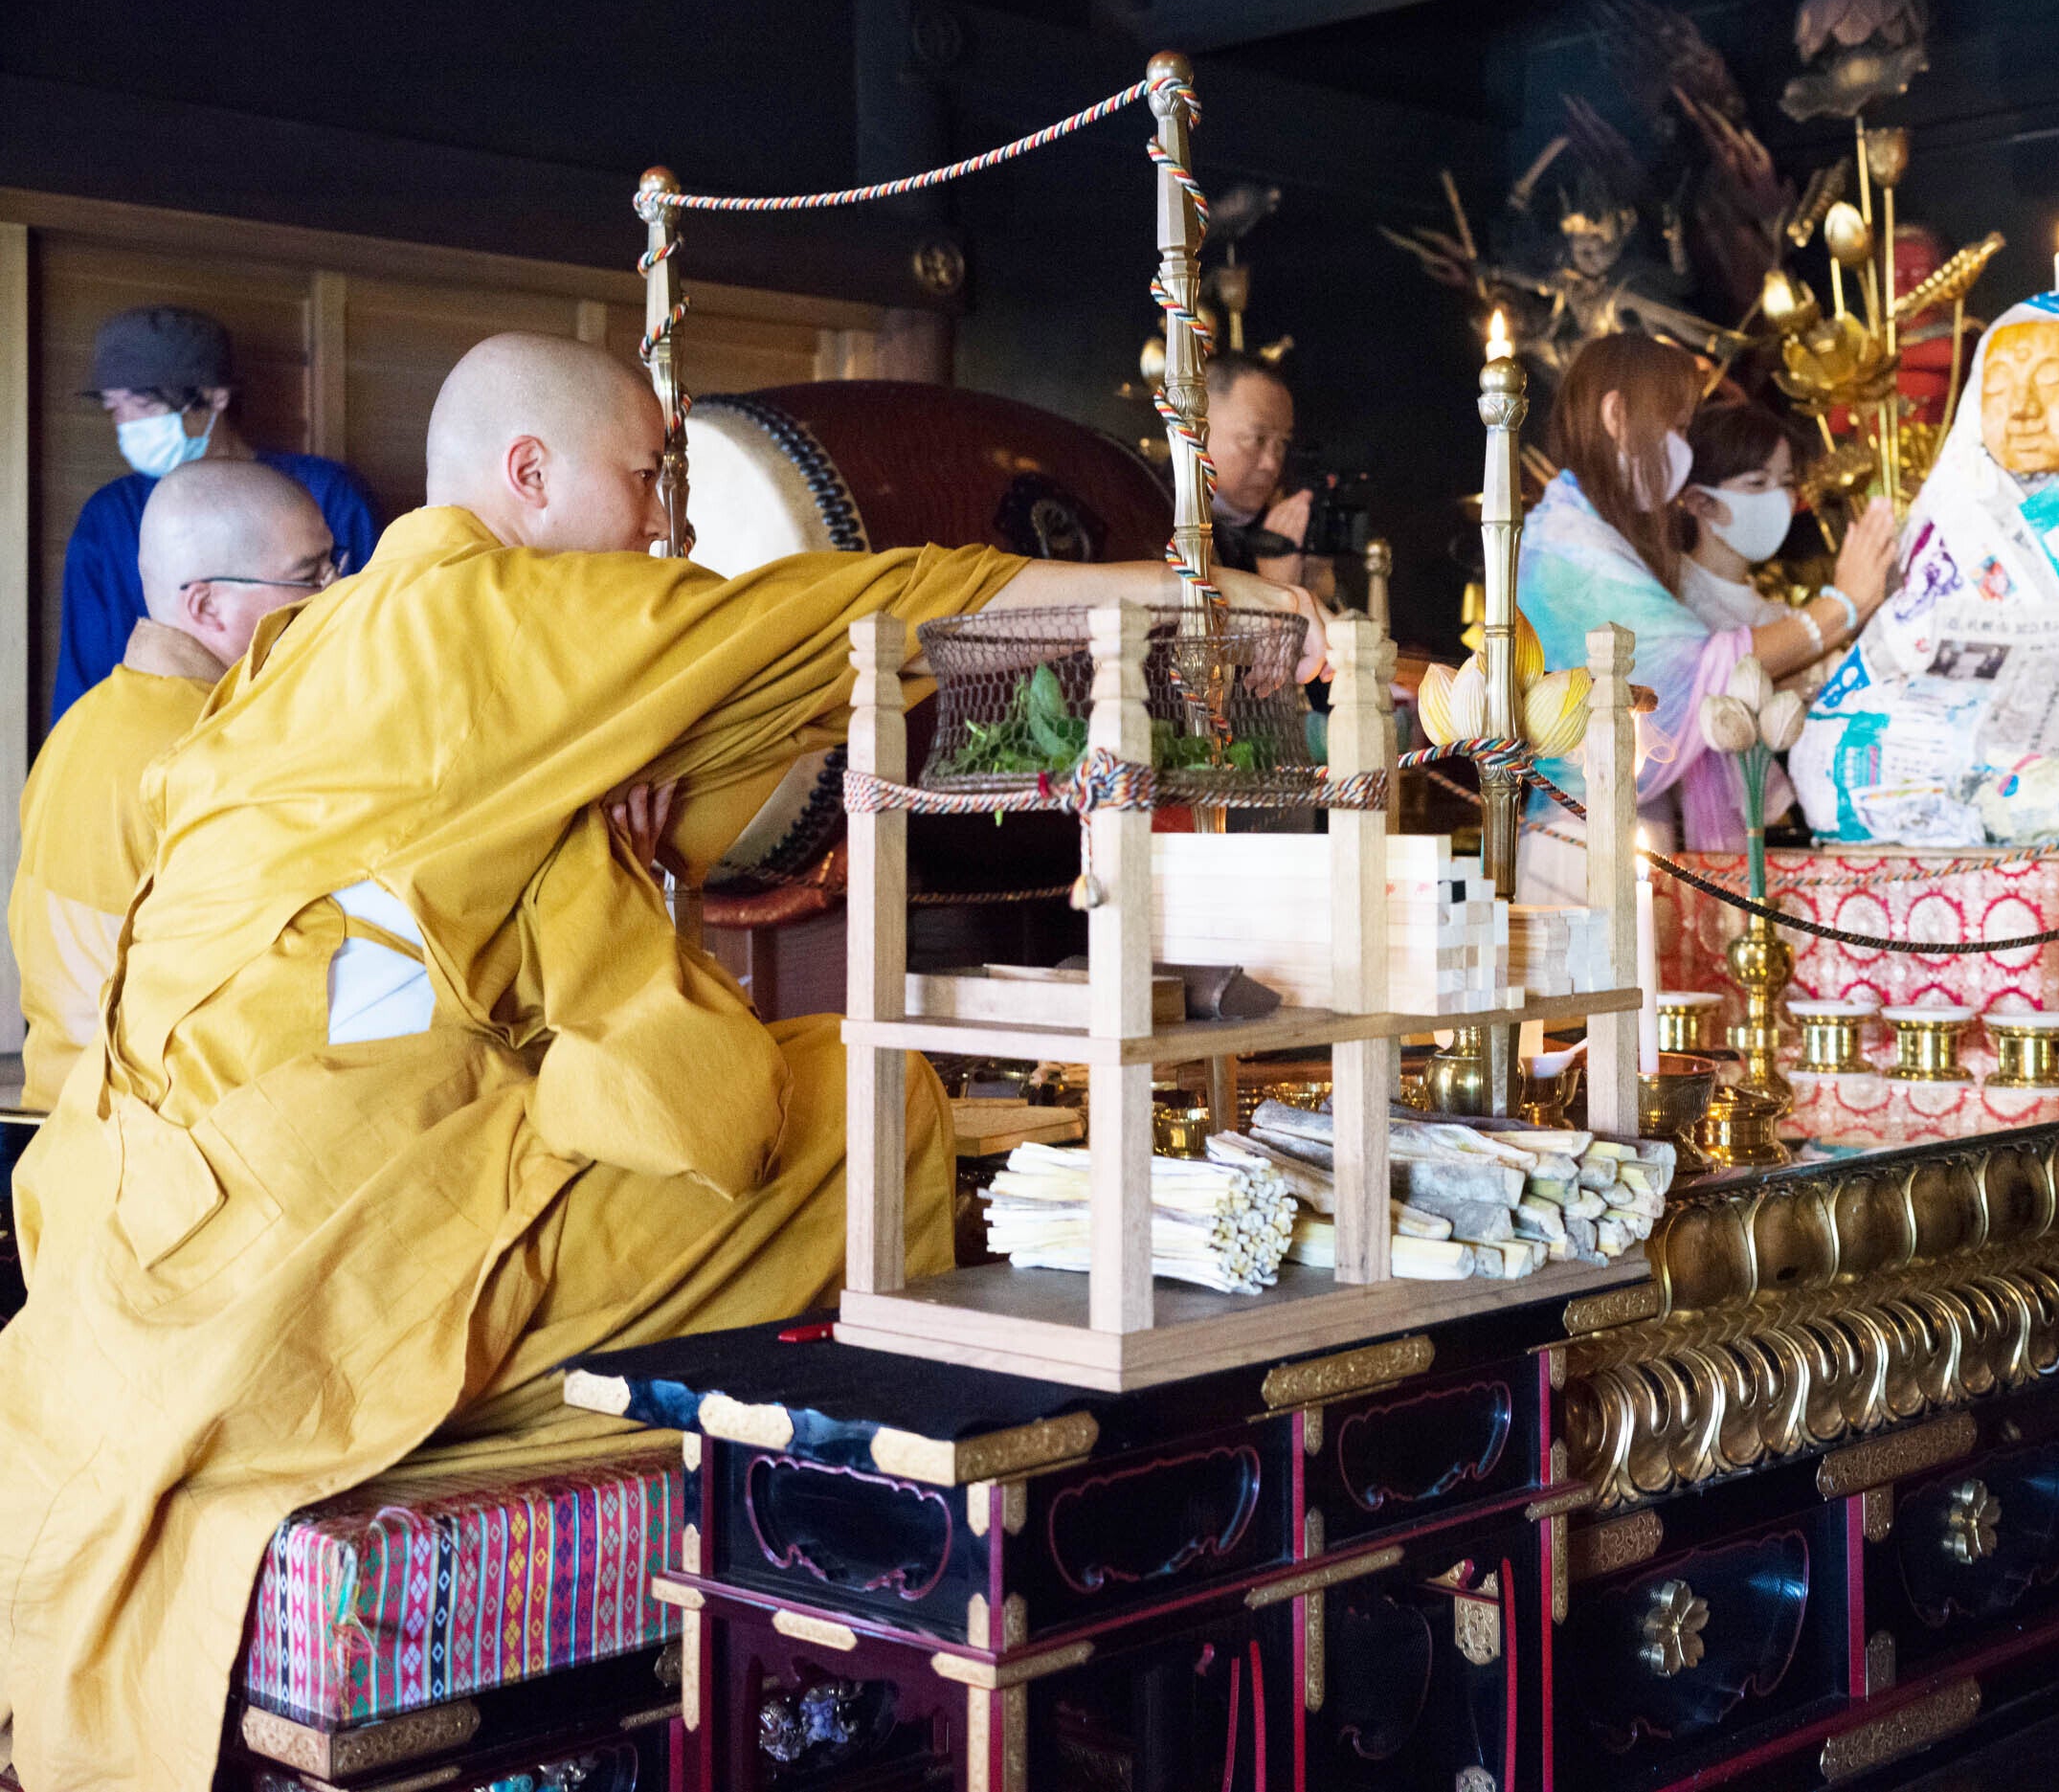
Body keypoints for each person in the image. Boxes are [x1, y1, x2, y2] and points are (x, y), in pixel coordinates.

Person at [0, 333, 1327, 1790]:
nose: (660, 520)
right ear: (528, 472)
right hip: (315, 1257)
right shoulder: (495, 615)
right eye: (642, 477)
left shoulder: (317, 643)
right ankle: (880, 1536)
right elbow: (866, 609)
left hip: (139, 1243)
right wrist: (1190, 599)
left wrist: (602, 821)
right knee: (870, 1100)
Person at [10, 463, 338, 1122]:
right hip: (151, 1137)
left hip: (53, 1114)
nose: (337, 596)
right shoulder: (217, 752)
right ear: (206, 605)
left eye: (337, 567)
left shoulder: (85, 721)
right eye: (310, 577)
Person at [1515, 333, 1893, 880]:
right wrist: (1843, 605)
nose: (1683, 450)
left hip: (1619, 829)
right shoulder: (1572, 547)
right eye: (1676, 428)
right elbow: (1701, 671)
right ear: (1617, 415)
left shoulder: (1589, 528)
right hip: (1581, 842)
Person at [53, 306, 381, 726]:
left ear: (216, 396)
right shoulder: (109, 518)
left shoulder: (328, 494)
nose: (127, 425)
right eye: (114, 408)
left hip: (306, 735)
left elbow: (370, 647)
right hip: (156, 741)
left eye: (145, 403)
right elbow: (83, 683)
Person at [1203, 350, 1336, 607]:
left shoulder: (1276, 529)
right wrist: (1275, 590)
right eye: (1256, 439)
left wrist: (1316, 587)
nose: (1272, 464)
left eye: (1282, 444)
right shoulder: (1153, 517)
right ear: (1196, 429)